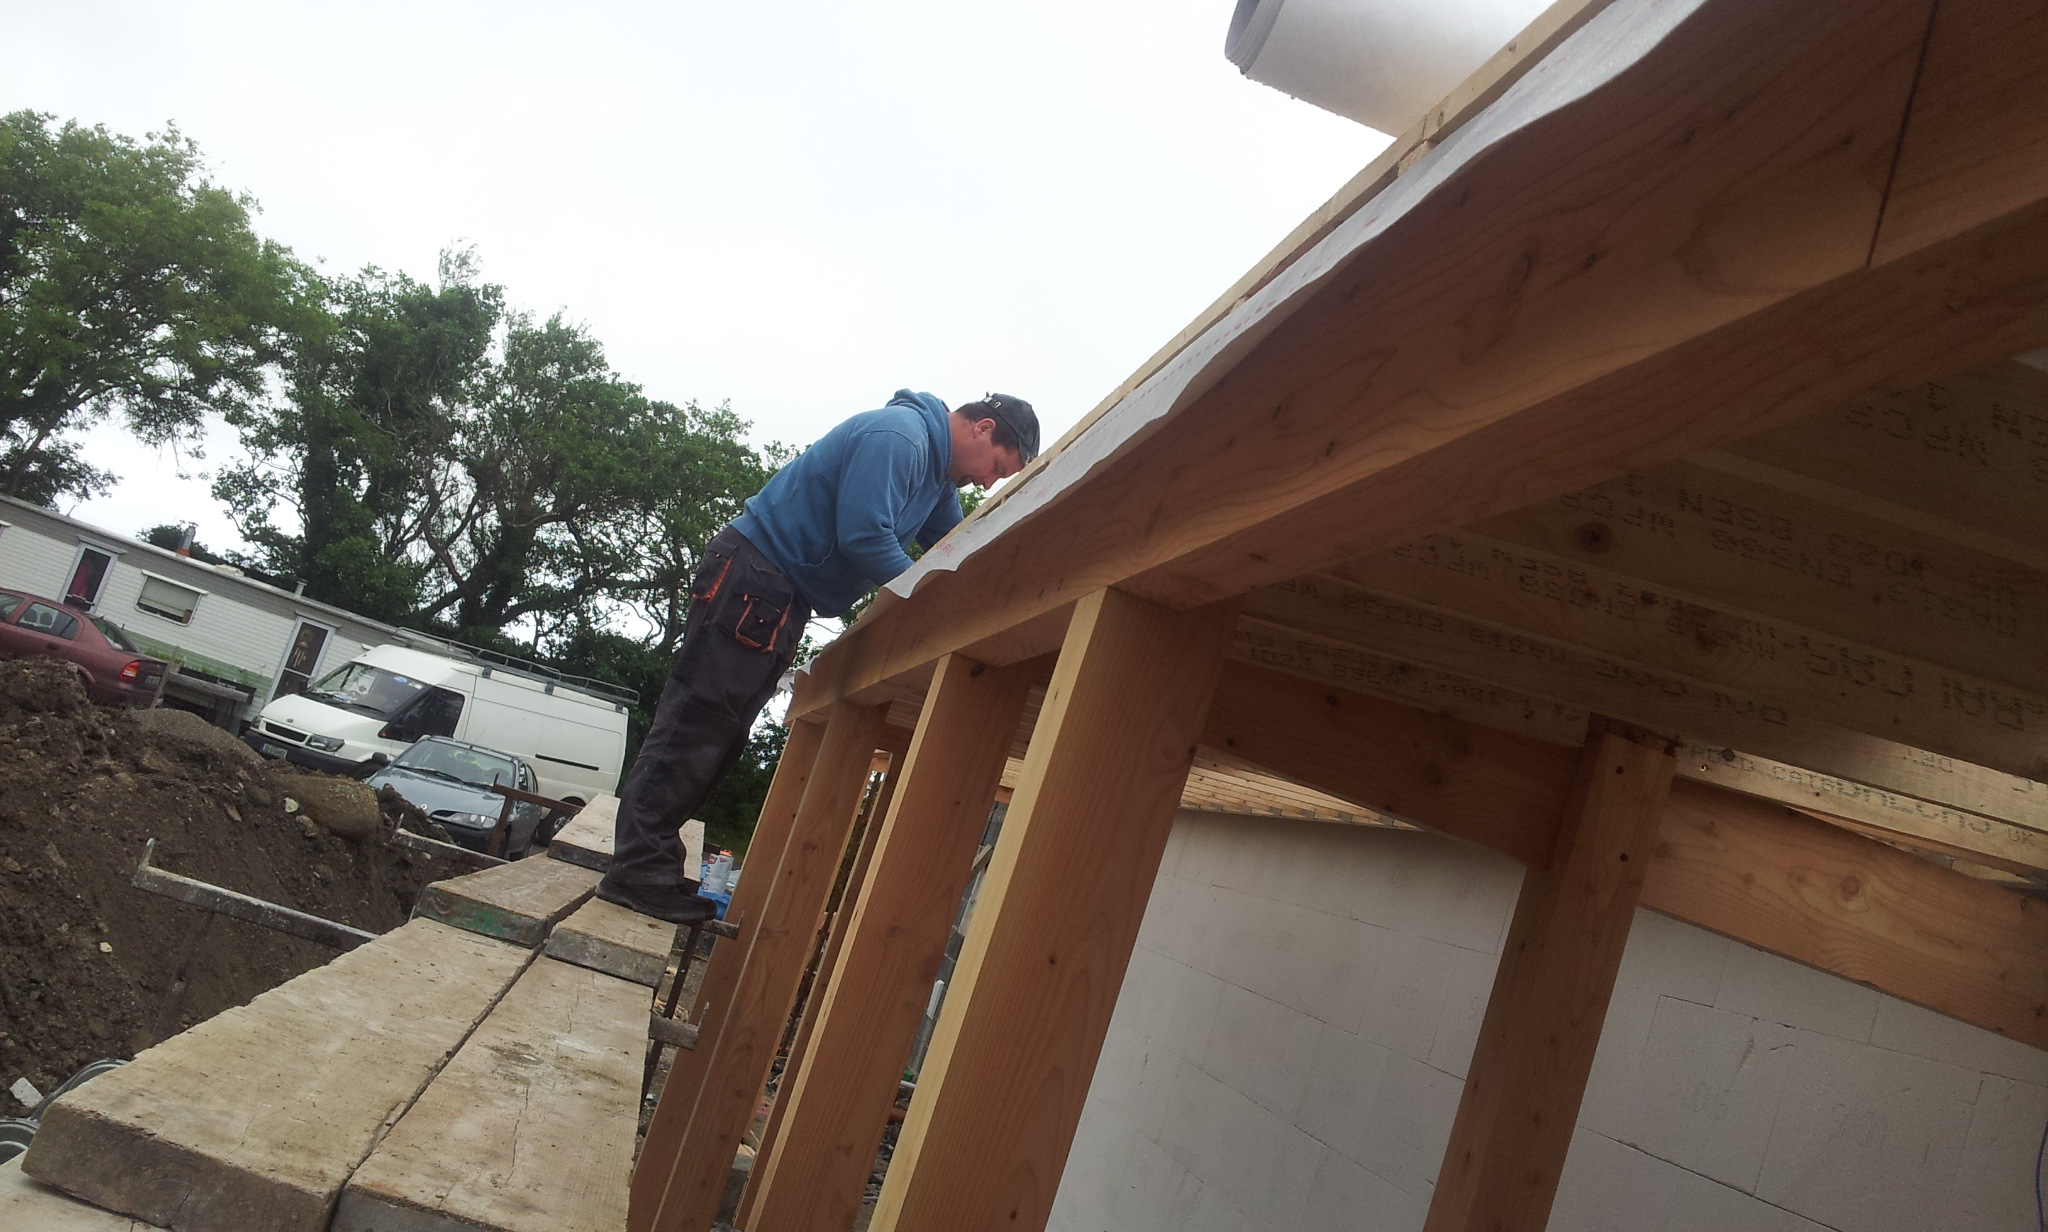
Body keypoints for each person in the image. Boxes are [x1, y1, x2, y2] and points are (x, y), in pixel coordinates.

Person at [596, 389, 1040, 923]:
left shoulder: (937, 478)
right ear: (983, 428)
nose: (987, 484)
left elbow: (954, 544)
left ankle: (652, 865)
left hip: (777, 592)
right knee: (698, 722)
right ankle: (637, 872)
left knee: (722, 733)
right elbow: (865, 537)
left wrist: (1008, 577)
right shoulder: (899, 439)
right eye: (997, 468)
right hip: (756, 577)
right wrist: (931, 609)